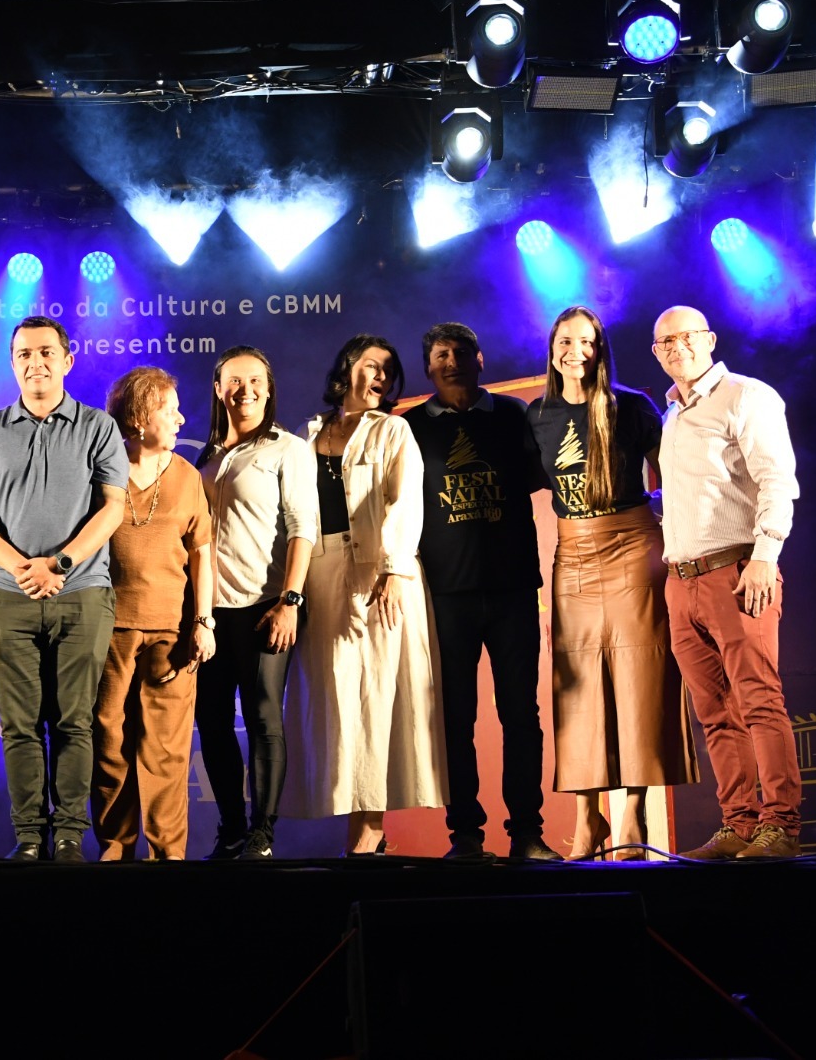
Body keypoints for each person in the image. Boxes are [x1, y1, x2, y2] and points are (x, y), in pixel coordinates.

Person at [528, 307, 698, 861]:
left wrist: (663, 515)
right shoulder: (537, 415)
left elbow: (676, 472)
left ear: (600, 349)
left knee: (638, 678)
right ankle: (587, 817)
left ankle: (631, 814)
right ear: (552, 348)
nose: (574, 351)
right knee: (576, 686)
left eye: (586, 341)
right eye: (564, 341)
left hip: (631, 546)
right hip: (573, 552)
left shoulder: (633, 405)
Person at [0, 316, 128, 862]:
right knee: (19, 725)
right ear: (12, 363)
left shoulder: (98, 427)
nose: (36, 363)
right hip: (9, 597)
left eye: (46, 352)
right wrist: (20, 568)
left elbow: (113, 508)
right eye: (24, 354)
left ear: (67, 360)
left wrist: (60, 563)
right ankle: (30, 837)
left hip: (82, 593)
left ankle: (70, 834)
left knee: (75, 722)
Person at [279, 335, 446, 855]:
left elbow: (405, 500)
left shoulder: (393, 429)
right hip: (321, 574)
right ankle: (355, 821)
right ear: (346, 367)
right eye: (372, 365)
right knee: (334, 698)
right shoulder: (307, 434)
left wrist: (394, 568)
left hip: (381, 572)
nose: (381, 377)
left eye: (388, 371)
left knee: (378, 695)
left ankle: (370, 829)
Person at [404, 321, 560, 861]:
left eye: (460, 352)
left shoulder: (514, 415)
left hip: (514, 588)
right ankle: (466, 836)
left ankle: (527, 833)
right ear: (428, 367)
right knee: (456, 718)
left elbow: (546, 476)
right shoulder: (409, 427)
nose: (451, 361)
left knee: (521, 714)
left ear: (480, 359)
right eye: (440, 354)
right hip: (446, 595)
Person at [652, 305, 802, 860]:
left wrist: (765, 556)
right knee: (715, 712)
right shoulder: (672, 413)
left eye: (687, 336)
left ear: (710, 339)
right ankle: (739, 824)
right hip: (681, 579)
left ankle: (780, 826)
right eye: (666, 342)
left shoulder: (746, 396)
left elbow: (777, 481)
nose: (678, 347)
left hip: (736, 572)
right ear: (657, 353)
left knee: (759, 701)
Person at [195, 345, 317, 860]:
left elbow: (303, 528)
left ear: (269, 390)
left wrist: (290, 600)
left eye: (254, 381)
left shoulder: (288, 449)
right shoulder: (206, 457)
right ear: (218, 389)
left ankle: (262, 834)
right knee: (213, 722)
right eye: (233, 381)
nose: (244, 390)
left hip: (266, 605)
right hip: (210, 614)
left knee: (264, 718)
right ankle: (231, 831)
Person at [92, 366, 214, 861]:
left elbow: (202, 552)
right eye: (170, 410)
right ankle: (115, 848)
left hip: (171, 632)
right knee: (108, 741)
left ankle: (169, 856)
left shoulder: (186, 476)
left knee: (166, 749)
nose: (181, 419)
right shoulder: (100, 469)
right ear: (140, 418)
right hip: (108, 630)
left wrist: (203, 622)